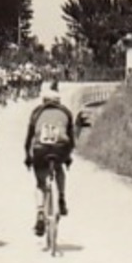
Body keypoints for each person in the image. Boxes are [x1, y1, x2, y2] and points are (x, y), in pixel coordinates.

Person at [24, 84, 77, 235]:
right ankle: (61, 197)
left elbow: (29, 137)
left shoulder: (36, 112)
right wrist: (68, 155)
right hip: (61, 147)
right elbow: (71, 137)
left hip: (40, 148)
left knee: (40, 183)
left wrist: (27, 155)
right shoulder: (66, 112)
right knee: (59, 167)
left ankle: (40, 212)